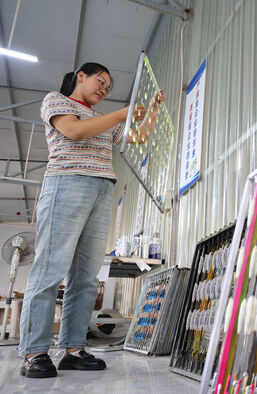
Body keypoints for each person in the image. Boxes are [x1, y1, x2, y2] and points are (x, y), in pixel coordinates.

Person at [18, 62, 166, 378]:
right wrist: (122, 113)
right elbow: (72, 130)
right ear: (80, 76)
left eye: (109, 88)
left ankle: (73, 349)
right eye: (101, 81)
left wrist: (151, 108)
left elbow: (138, 137)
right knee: (50, 269)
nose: (104, 89)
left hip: (102, 188)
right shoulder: (56, 101)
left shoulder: (102, 121)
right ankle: (35, 351)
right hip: (66, 182)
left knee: (86, 277)